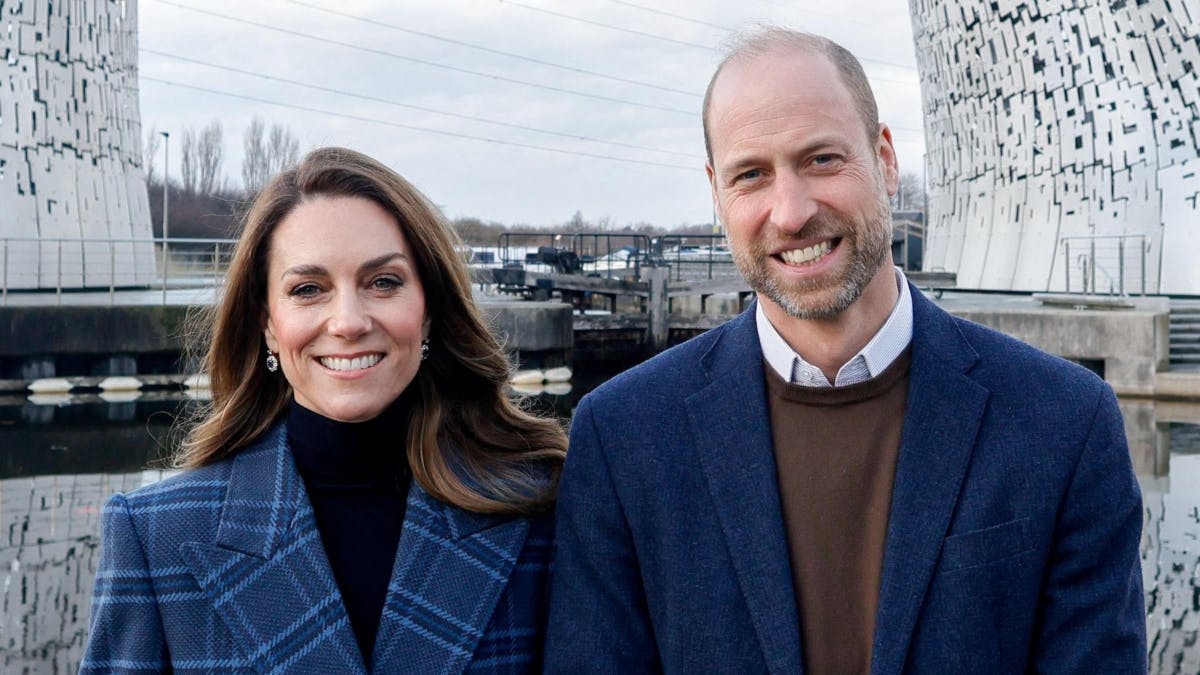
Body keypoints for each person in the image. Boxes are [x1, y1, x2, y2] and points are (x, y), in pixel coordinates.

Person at [544, 28, 1146, 673]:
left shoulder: (1065, 423)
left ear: (885, 160)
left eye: (822, 160)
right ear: (717, 194)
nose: (791, 212)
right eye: (751, 175)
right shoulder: (623, 437)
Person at [82, 147, 566, 673]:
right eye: (308, 289)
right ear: (268, 324)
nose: (348, 322)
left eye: (383, 282)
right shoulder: (156, 535)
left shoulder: (542, 507)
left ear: (428, 311)